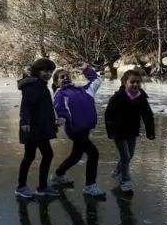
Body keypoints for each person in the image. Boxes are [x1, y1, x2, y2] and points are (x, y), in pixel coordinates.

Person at [49, 67, 106, 197]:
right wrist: (62, 117)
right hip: (75, 130)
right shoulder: (60, 94)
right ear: (56, 82)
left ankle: (58, 175)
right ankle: (90, 186)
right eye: (62, 77)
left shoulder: (84, 90)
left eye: (67, 75)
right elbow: (61, 108)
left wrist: (86, 69)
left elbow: (96, 80)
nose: (66, 78)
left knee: (76, 155)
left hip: (85, 129)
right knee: (93, 153)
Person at [16, 58, 64, 198]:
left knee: (37, 155)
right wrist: (25, 122)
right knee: (33, 156)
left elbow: (43, 108)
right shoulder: (33, 85)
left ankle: (40, 186)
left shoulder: (40, 84)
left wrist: (52, 123)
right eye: (45, 71)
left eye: (50, 71)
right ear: (37, 71)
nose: (48, 74)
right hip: (32, 128)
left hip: (39, 127)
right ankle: (23, 186)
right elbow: (26, 105)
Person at [104, 69, 155, 193]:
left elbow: (148, 116)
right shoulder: (118, 97)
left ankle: (117, 172)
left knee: (130, 155)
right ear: (124, 83)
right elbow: (108, 115)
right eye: (132, 82)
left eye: (138, 82)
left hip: (132, 131)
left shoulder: (141, 98)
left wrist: (150, 132)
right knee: (125, 157)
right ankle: (126, 181)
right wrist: (111, 132)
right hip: (119, 132)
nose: (135, 85)